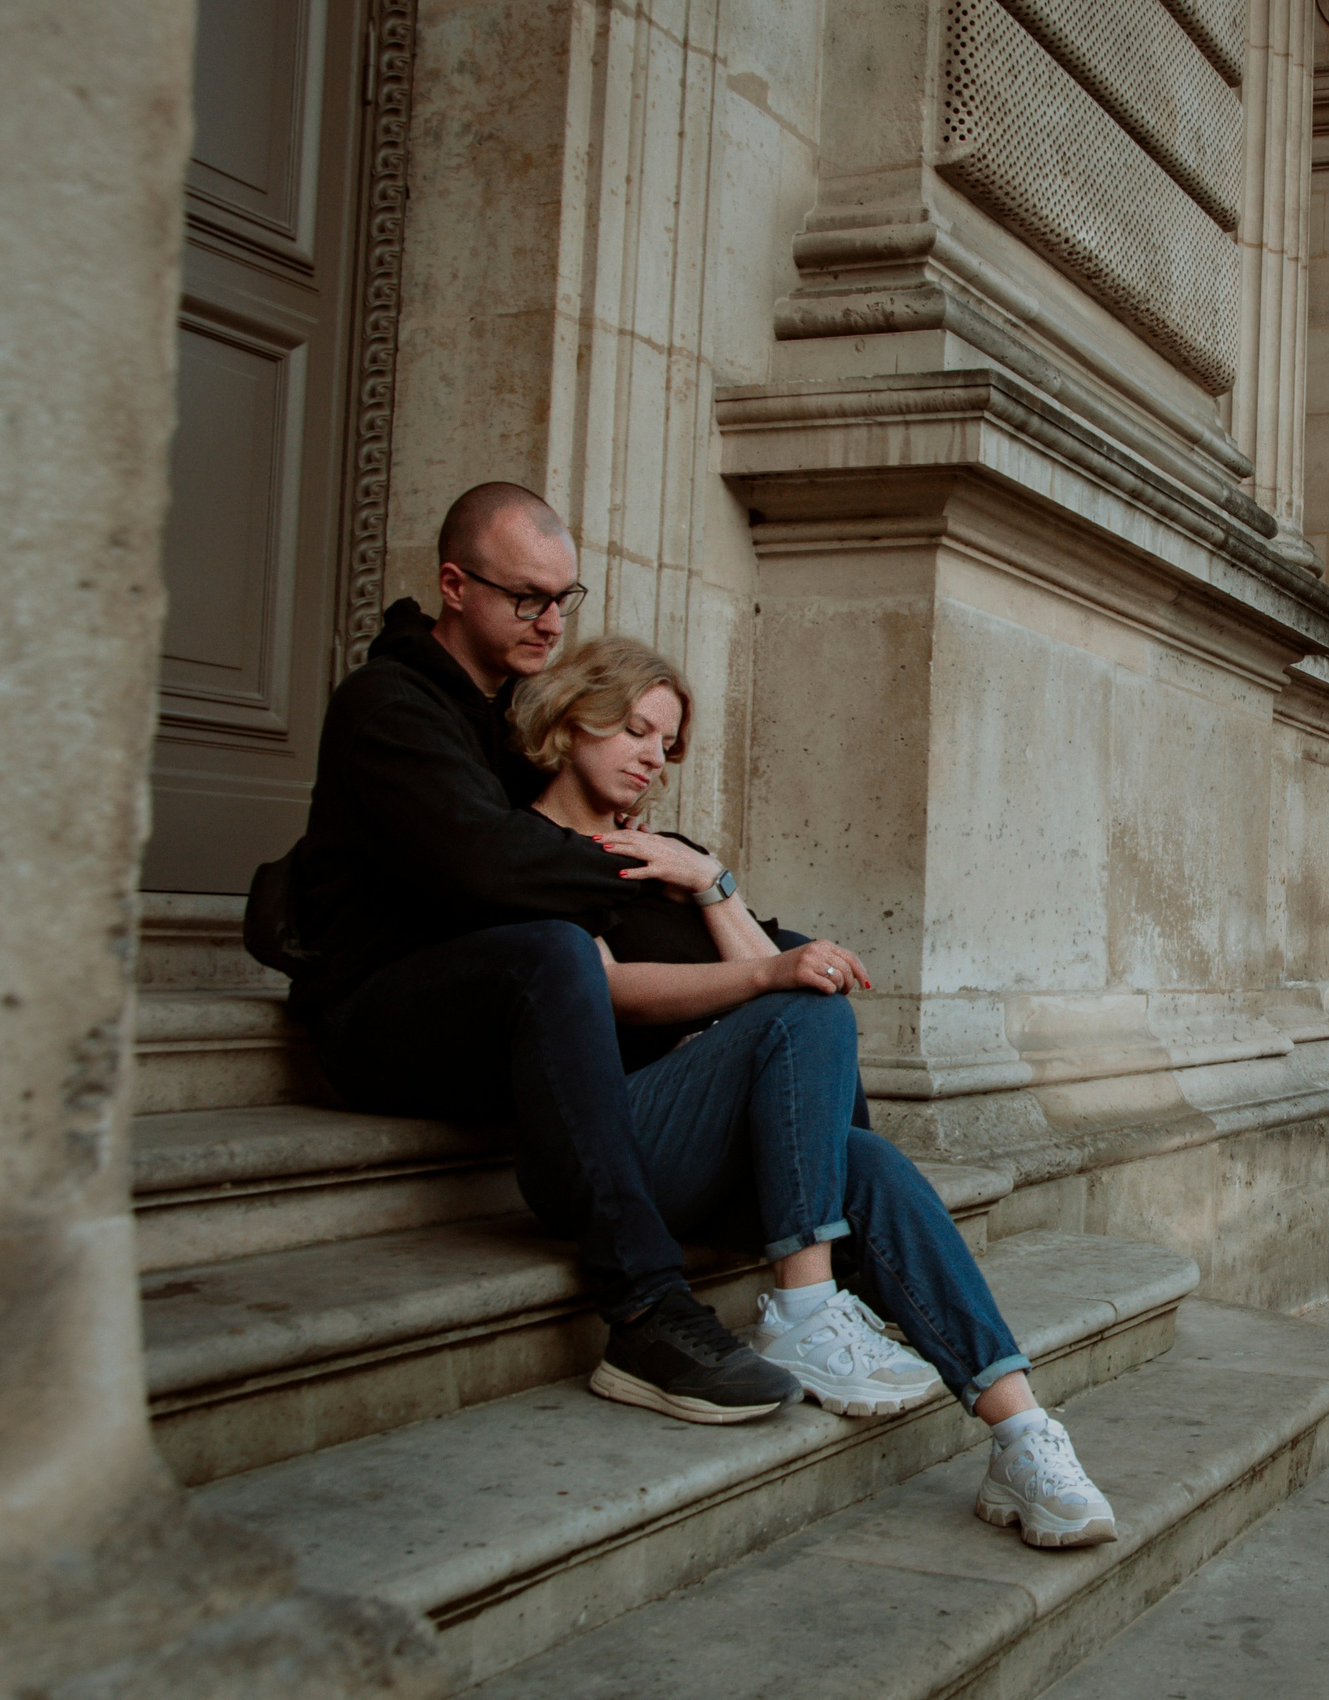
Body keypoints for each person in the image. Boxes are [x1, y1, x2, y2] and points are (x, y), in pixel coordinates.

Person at [284, 482, 1114, 1548]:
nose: (647, 756)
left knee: (871, 1159)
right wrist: (741, 955)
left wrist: (709, 880)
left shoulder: (604, 822)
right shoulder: (478, 790)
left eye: (664, 742)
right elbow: (573, 949)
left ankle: (1023, 1432)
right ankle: (800, 1304)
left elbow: (776, 963)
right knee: (791, 996)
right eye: (629, 727)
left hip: (671, 1116)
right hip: (543, 1100)